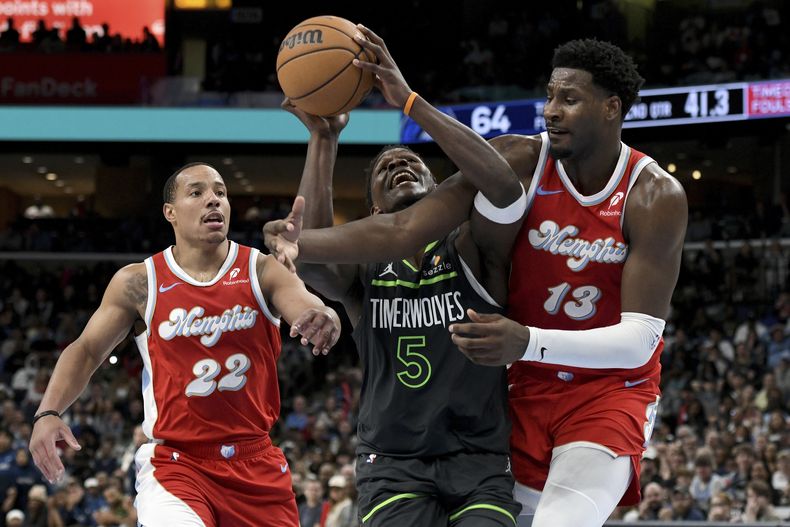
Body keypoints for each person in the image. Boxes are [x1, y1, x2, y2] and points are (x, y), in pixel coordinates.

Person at [266, 38, 687, 527]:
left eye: (568, 100)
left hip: (606, 389)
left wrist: (408, 100)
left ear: (612, 107)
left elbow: (640, 342)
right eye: (549, 96)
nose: (551, 111)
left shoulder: (653, 195)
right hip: (520, 391)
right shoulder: (523, 160)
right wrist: (304, 235)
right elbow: (400, 231)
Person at [270, 24, 522, 527]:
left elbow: (500, 183)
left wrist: (409, 102)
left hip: (479, 457)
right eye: (386, 169)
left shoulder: (471, 245)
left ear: (438, 188)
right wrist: (324, 138)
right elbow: (316, 259)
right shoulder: (366, 270)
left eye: (412, 163)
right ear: (373, 208)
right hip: (392, 463)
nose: (400, 165)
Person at [28, 162, 342, 527]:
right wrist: (48, 412)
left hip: (256, 464)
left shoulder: (262, 270)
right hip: (177, 464)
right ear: (170, 213)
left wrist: (325, 317)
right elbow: (86, 350)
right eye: (198, 193)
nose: (214, 200)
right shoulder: (139, 281)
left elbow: (306, 306)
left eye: (221, 193)